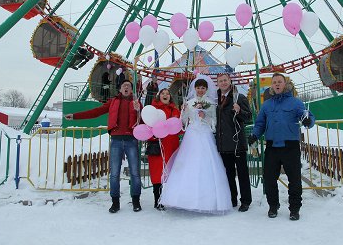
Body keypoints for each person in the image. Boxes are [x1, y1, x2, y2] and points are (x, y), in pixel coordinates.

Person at [64, 80, 143, 213]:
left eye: (129, 86)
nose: (126, 87)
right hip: (116, 140)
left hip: (131, 140)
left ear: (131, 90)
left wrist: (138, 110)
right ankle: (115, 203)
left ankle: (136, 201)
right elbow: (96, 112)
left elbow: (143, 121)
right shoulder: (112, 102)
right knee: (114, 173)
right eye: (124, 85)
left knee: (135, 173)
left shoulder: (136, 103)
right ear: (120, 89)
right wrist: (75, 116)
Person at [160, 74, 232, 214]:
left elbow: (215, 122)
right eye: (198, 87)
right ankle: (183, 198)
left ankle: (208, 201)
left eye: (203, 88)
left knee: (206, 164)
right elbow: (184, 121)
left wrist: (205, 118)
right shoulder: (190, 102)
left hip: (205, 134)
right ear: (195, 88)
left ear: (206, 89)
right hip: (192, 134)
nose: (200, 90)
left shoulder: (211, 103)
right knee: (189, 162)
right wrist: (184, 111)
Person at [249, 73, 315, 220]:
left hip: (290, 146)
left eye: (280, 82)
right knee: (269, 178)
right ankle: (273, 206)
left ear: (285, 84)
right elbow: (260, 124)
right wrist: (254, 134)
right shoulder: (267, 104)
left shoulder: (295, 103)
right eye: (274, 82)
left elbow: (307, 116)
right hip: (272, 146)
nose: (277, 84)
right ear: (271, 86)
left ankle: (294, 208)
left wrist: (308, 120)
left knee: (294, 179)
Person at [215, 73, 253, 212]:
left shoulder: (239, 97)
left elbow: (248, 117)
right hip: (223, 144)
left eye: (225, 80)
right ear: (217, 83)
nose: (223, 83)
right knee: (228, 174)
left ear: (230, 81)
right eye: (220, 81)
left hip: (237, 143)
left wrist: (239, 110)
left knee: (242, 174)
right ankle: (232, 198)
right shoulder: (216, 99)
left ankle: (246, 200)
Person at [149, 88, 181, 210]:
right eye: (163, 93)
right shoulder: (153, 110)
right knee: (157, 174)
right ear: (159, 96)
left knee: (171, 174)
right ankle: (158, 200)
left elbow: (179, 128)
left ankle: (170, 198)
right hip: (157, 146)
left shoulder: (175, 110)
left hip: (172, 146)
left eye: (167, 93)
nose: (165, 95)